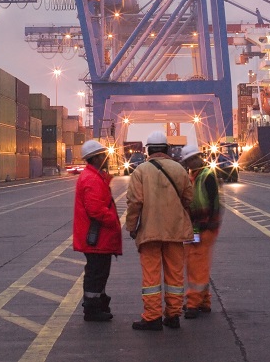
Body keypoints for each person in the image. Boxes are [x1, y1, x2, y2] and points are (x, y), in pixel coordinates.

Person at [125, 131, 193, 331]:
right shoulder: (179, 170)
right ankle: (173, 316)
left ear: (148, 150)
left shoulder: (140, 171)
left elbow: (135, 202)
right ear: (167, 149)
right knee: (175, 275)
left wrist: (131, 227)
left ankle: (152, 317)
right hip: (175, 230)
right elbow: (189, 198)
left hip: (149, 231)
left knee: (151, 277)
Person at [73, 139, 122, 322]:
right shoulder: (92, 179)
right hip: (97, 238)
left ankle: (98, 303)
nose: (107, 158)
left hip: (98, 237)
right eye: (104, 155)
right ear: (95, 158)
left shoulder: (93, 176)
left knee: (99, 272)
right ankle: (92, 309)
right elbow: (95, 209)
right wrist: (114, 222)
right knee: (96, 273)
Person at [179, 144, 221, 318]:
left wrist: (211, 222)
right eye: (188, 161)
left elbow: (215, 203)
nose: (190, 163)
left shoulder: (206, 176)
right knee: (195, 263)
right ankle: (204, 301)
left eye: (191, 159)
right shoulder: (194, 176)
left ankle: (193, 303)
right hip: (195, 226)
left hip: (204, 227)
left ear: (198, 157)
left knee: (197, 264)